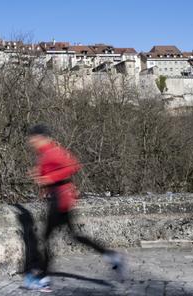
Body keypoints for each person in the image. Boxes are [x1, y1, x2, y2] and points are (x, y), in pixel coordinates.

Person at [24, 124, 124, 292]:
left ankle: (44, 280)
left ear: (41, 138)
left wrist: (49, 178)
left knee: (46, 239)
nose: (32, 142)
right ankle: (111, 256)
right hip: (60, 198)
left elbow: (73, 165)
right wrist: (40, 177)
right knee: (74, 236)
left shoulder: (52, 151)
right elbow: (48, 174)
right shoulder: (44, 153)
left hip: (60, 199)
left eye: (33, 139)